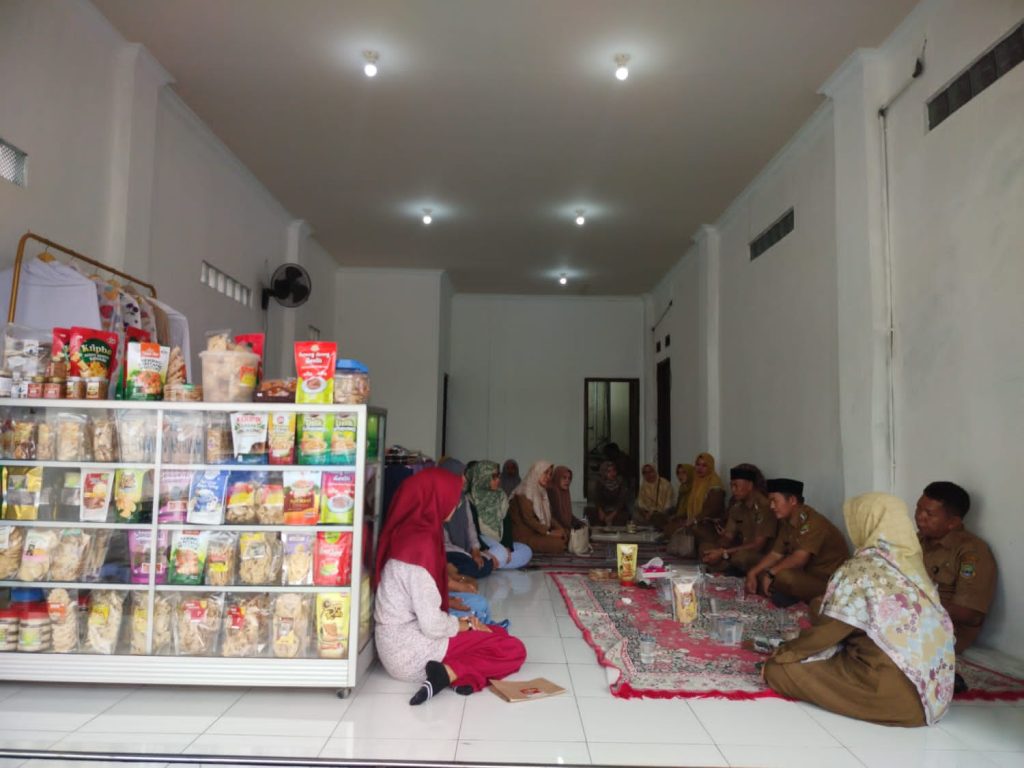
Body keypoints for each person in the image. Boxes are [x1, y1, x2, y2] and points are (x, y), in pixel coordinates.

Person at [764, 493, 956, 727]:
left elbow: (827, 633)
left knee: (779, 671)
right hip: (934, 695)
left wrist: (785, 652)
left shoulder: (860, 569)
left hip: (896, 698)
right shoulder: (913, 566)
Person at [374, 468, 527, 705]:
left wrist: (464, 624)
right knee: (513, 648)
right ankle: (449, 673)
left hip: (400, 642)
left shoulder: (411, 534)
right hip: (410, 652)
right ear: (435, 499)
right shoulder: (419, 547)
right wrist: (466, 625)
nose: (456, 505)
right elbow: (433, 626)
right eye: (452, 498)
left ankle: (455, 676)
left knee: (496, 634)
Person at [915, 481, 996, 655]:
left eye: (929, 513)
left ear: (953, 522)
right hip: (908, 618)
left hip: (944, 631)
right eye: (918, 508)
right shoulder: (917, 541)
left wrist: (912, 606)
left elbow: (969, 613)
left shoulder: (971, 552)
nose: (920, 517)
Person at [746, 478, 849, 606]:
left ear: (792, 500)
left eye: (775, 501)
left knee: (783, 576)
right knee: (761, 572)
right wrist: (752, 573)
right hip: (805, 575)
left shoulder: (814, 523)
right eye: (770, 501)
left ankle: (792, 597)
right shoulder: (787, 521)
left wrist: (771, 573)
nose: (771, 506)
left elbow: (799, 559)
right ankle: (786, 595)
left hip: (828, 583)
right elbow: (775, 554)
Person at [703, 464, 776, 574]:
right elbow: (728, 536)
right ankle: (727, 568)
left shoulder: (765, 507)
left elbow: (758, 546)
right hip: (737, 550)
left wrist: (724, 552)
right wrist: (718, 549)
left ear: (750, 485)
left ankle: (731, 570)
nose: (733, 490)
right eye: (731, 486)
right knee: (706, 548)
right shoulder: (737, 507)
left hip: (760, 555)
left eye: (736, 486)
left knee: (740, 557)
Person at [439, 459, 497, 580]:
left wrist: (475, 550)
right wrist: (468, 554)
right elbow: (443, 543)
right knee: (478, 565)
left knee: (487, 563)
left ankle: (450, 572)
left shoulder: (463, 498)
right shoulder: (439, 499)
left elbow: (470, 526)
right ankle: (446, 572)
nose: (465, 479)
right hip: (445, 551)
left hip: (464, 552)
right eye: (461, 475)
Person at [468, 460, 533, 569]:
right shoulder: (471, 498)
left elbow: (507, 523)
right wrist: (484, 549)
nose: (498, 480)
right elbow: (473, 531)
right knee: (501, 552)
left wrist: (507, 546)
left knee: (526, 551)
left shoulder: (501, 495)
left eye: (498, 476)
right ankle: (495, 560)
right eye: (494, 477)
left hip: (499, 542)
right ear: (483, 477)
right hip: (482, 542)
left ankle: (492, 562)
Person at [508, 461, 569, 554]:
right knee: (559, 544)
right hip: (523, 537)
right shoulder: (524, 492)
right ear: (537, 472)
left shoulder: (541, 492)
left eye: (550, 474)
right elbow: (529, 519)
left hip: (536, 532)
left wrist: (560, 529)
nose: (548, 477)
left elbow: (548, 516)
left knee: (566, 534)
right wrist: (549, 533)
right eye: (545, 473)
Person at [678, 452, 726, 549]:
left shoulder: (715, 483)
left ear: (710, 467)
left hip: (709, 524)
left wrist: (694, 520)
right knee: (674, 527)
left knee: (692, 531)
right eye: (698, 464)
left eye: (704, 465)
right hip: (696, 521)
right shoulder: (697, 481)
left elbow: (712, 509)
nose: (700, 468)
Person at [587, 460, 630, 527]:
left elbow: (621, 501)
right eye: (609, 471)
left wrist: (611, 516)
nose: (612, 473)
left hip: (618, 511)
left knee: (620, 519)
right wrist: (600, 511)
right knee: (593, 516)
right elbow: (597, 498)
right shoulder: (600, 483)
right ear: (603, 472)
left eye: (614, 470)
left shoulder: (621, 482)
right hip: (604, 509)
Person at [547, 465, 584, 531]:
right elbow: (555, 516)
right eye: (564, 478)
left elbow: (568, 515)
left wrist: (581, 524)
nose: (567, 481)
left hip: (563, 529)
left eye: (569, 478)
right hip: (553, 530)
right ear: (557, 478)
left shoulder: (564, 492)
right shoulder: (552, 491)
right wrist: (570, 528)